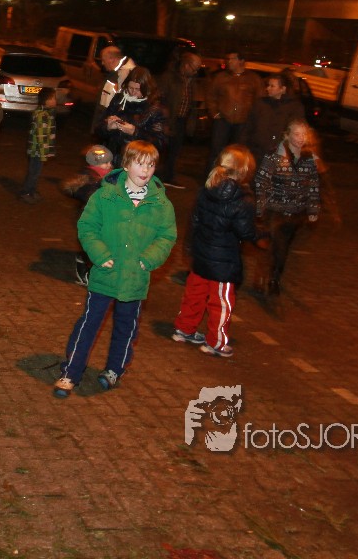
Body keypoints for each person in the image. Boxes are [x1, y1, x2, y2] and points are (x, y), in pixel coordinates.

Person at [52, 140, 176, 398]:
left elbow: (166, 236)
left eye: (151, 165)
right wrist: (99, 254)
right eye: (140, 164)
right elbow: (87, 227)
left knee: (126, 327)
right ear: (126, 165)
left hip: (135, 277)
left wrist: (150, 259)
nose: (145, 171)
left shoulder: (161, 203)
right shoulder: (105, 195)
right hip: (105, 273)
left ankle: (114, 369)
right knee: (88, 324)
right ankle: (71, 371)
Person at [171, 145, 262, 358]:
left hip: (201, 254)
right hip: (223, 262)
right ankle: (216, 342)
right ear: (244, 170)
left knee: (194, 294)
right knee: (221, 303)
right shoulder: (243, 199)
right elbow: (246, 232)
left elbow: (194, 220)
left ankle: (184, 329)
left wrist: (190, 248)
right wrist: (262, 235)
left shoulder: (207, 189)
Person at [254, 119, 321, 297]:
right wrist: (260, 207)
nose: (301, 138)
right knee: (276, 246)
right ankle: (269, 277)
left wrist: (313, 209)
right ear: (287, 135)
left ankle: (273, 275)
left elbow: (313, 186)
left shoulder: (309, 159)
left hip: (295, 213)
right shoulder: (274, 156)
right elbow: (261, 181)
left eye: (304, 134)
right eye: (297, 134)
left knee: (282, 248)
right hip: (274, 210)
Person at [60, 145, 115, 284]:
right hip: (91, 219)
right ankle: (83, 267)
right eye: (106, 163)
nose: (110, 165)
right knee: (93, 247)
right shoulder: (90, 180)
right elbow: (87, 196)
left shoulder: (108, 177)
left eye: (110, 162)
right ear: (95, 164)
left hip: (105, 219)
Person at [95, 67, 167, 164]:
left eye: (137, 89)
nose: (133, 92)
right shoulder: (118, 99)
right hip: (111, 158)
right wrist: (108, 126)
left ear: (146, 88)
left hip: (136, 161)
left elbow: (160, 142)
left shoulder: (154, 108)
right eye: (130, 88)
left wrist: (134, 132)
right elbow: (98, 127)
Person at [207, 51, 264, 169]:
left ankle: (234, 176)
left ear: (241, 61)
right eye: (228, 59)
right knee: (216, 150)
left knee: (238, 152)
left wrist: (253, 119)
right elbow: (211, 95)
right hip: (223, 119)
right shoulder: (221, 77)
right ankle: (212, 175)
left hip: (243, 122)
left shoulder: (253, 79)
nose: (229, 62)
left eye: (232, 59)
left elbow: (260, 100)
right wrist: (214, 112)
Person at [158, 50, 202, 186]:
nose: (196, 72)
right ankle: (154, 174)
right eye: (194, 69)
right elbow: (160, 98)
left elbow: (191, 103)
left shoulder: (192, 81)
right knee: (161, 148)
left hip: (181, 119)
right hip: (168, 117)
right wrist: (163, 120)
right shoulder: (169, 77)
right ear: (186, 65)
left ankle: (168, 176)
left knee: (175, 149)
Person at [243, 71, 305, 162]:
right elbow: (249, 126)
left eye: (272, 86)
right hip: (257, 151)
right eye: (268, 85)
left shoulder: (294, 107)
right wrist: (245, 146)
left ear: (282, 89)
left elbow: (296, 130)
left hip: (279, 154)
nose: (268, 88)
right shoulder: (260, 103)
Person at [19, 88, 59, 203]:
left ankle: (32, 190)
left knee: (36, 172)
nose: (55, 100)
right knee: (33, 173)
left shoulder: (47, 113)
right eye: (53, 98)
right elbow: (41, 137)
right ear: (46, 101)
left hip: (38, 150)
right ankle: (25, 192)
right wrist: (43, 154)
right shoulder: (42, 115)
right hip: (37, 151)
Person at [92, 45, 135, 134]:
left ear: (112, 59)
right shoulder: (116, 73)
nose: (102, 63)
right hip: (106, 123)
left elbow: (123, 104)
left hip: (112, 126)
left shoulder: (125, 74)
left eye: (103, 60)